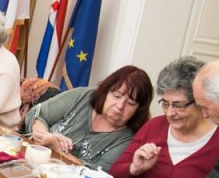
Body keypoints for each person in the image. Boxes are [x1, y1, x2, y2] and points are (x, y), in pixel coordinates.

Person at [109, 56, 219, 178]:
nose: (170, 113)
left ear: (200, 101)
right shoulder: (154, 126)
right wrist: (134, 168)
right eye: (165, 104)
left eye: (179, 105)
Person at [24, 65, 153, 170]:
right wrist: (45, 136)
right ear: (106, 92)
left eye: (130, 103)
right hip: (30, 163)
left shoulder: (129, 139)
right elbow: (37, 113)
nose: (120, 106)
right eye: (117, 96)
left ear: (139, 109)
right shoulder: (84, 96)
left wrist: (57, 148)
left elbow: (99, 175)